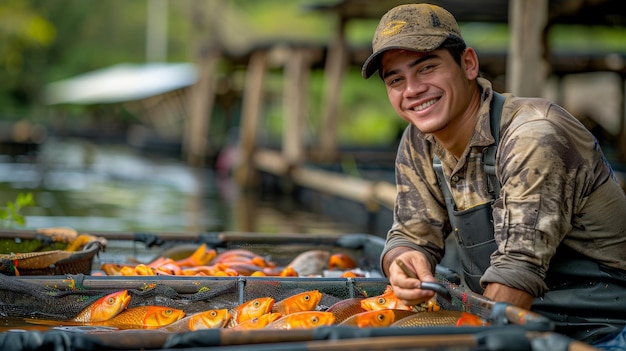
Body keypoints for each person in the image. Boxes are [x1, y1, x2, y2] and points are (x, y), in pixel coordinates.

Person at [361, 3, 626, 345]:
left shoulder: (533, 134)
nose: (412, 90)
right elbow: (411, 235)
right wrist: (403, 261)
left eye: (427, 68)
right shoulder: (420, 140)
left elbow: (517, 275)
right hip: (521, 325)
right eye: (396, 79)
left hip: (604, 332)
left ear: (468, 64)